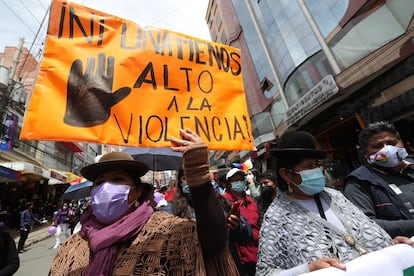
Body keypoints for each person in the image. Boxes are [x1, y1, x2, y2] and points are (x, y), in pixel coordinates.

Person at [49, 128, 238, 275]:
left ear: (137, 191)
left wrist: (199, 176)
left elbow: (213, 243)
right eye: (99, 182)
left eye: (117, 179)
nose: (106, 188)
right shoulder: (74, 244)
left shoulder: (166, 231)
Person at [256, 130, 413, 275]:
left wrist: (388, 246)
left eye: (317, 165)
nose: (316, 171)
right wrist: (308, 268)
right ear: (286, 174)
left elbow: (364, 237)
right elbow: (265, 273)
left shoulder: (335, 196)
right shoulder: (277, 217)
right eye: (309, 167)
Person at [344, 121, 414, 237]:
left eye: (392, 143)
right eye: (377, 146)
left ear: (401, 143)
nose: (387, 149)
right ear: (365, 154)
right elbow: (367, 224)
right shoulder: (358, 183)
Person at [223, 168, 259, 276]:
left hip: (256, 253)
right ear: (229, 184)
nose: (239, 182)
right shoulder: (224, 202)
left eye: (241, 179)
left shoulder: (251, 201)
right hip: (238, 257)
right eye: (235, 180)